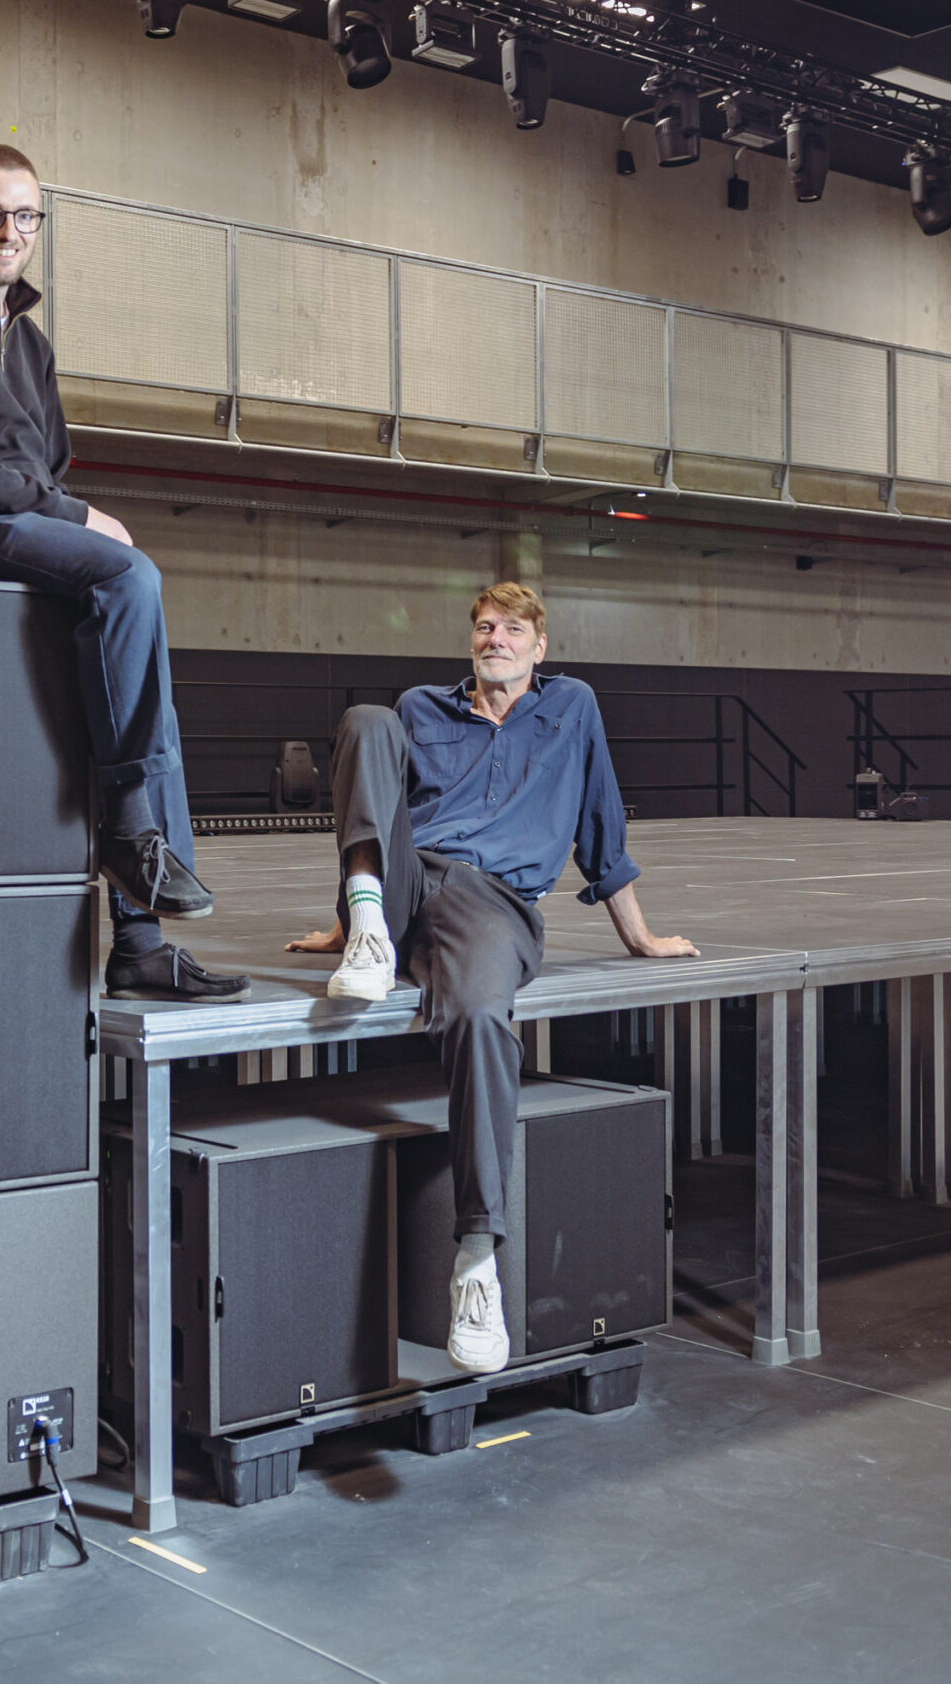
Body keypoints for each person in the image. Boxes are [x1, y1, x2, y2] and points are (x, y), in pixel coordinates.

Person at [0, 144, 245, 1004]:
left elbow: (51, 463)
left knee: (144, 675)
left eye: (25, 216)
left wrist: (64, 511)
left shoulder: (29, 344)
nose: (7, 231)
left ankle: (140, 942)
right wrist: (74, 518)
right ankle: (133, 831)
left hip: (18, 525)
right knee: (131, 579)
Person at [286, 583, 696, 1372]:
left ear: (540, 647)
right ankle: (367, 933)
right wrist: (347, 919)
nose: (494, 638)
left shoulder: (572, 708)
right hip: (406, 887)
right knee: (364, 719)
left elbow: (601, 824)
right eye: (483, 626)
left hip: (494, 900)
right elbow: (379, 810)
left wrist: (638, 934)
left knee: (479, 1016)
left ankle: (476, 1258)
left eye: (512, 628)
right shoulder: (420, 706)